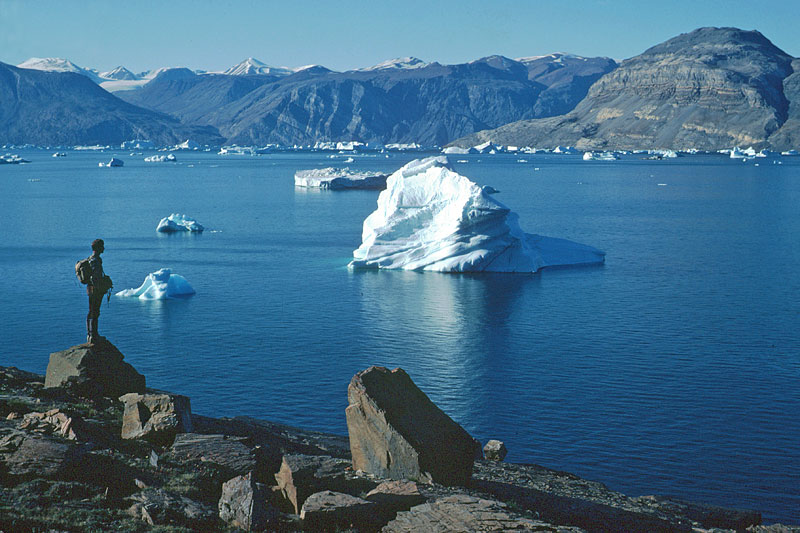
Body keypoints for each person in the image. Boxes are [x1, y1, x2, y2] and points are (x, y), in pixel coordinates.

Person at [86, 239, 109, 343]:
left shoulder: (91, 259)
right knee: (94, 312)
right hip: (95, 290)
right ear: (99, 248)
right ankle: (93, 335)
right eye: (102, 246)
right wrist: (102, 286)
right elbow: (96, 277)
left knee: (92, 311)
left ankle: (90, 334)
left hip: (90, 289)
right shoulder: (96, 260)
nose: (104, 248)